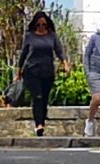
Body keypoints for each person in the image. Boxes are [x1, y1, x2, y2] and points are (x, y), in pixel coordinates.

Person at [17, 8, 64, 137]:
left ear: (47, 24)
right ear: (35, 24)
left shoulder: (52, 36)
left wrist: (65, 63)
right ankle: (38, 125)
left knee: (44, 98)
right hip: (32, 71)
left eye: (43, 24)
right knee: (37, 97)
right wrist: (19, 70)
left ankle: (42, 122)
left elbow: (59, 51)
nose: (41, 27)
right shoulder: (30, 36)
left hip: (47, 71)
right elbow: (23, 54)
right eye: (38, 24)